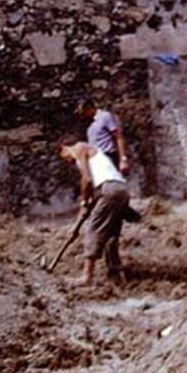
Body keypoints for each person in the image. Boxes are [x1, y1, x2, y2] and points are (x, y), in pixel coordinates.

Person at [57, 136, 132, 286]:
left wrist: (85, 201)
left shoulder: (79, 148)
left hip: (110, 189)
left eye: (64, 157)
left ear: (64, 149)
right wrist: (77, 224)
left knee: (93, 229)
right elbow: (90, 197)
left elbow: (87, 180)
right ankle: (117, 274)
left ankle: (87, 277)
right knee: (111, 234)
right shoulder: (93, 155)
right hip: (121, 189)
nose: (67, 161)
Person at [77, 98, 131, 175]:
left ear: (89, 108)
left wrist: (123, 159)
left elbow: (118, 137)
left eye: (83, 113)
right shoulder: (89, 127)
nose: (82, 116)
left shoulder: (105, 117)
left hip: (108, 156)